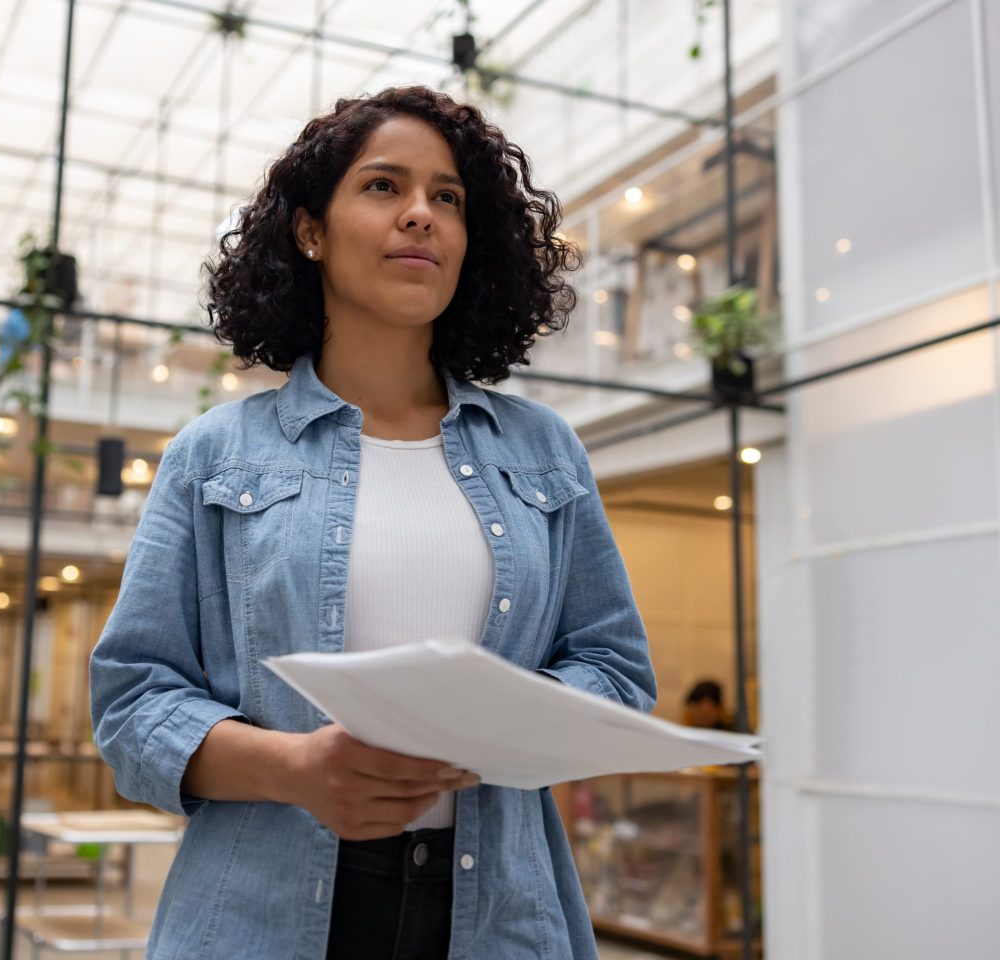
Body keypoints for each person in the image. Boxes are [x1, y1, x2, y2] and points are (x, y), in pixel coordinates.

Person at [89, 86, 657, 960]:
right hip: (263, 913)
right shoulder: (216, 454)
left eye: (448, 198)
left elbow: (615, 670)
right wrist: (295, 771)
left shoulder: (543, 450)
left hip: (498, 914)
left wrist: (505, 724)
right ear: (311, 231)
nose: (421, 215)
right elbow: (134, 705)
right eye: (384, 187)